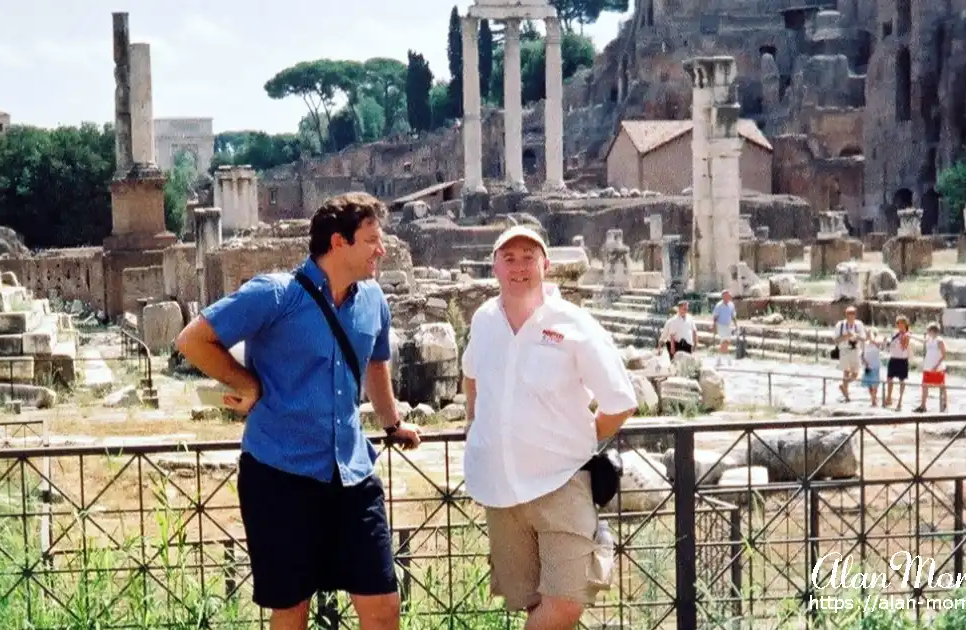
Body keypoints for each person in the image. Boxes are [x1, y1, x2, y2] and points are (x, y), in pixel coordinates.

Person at [174, 192, 422, 630]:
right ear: (338, 242)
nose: (381, 250)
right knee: (291, 610)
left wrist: (392, 422)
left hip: (352, 472)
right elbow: (193, 339)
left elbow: (376, 362)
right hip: (280, 473)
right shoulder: (277, 294)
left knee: (383, 605)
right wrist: (243, 382)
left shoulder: (373, 300)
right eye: (371, 240)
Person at [461, 225, 638, 630]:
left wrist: (584, 440)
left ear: (547, 265)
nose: (519, 267)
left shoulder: (573, 323)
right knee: (532, 602)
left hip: (562, 483)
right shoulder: (484, 319)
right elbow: (471, 373)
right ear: (494, 266)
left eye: (528, 257)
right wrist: (475, 425)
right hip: (501, 488)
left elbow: (620, 400)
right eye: (509, 258)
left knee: (566, 603)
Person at [832, 306, 866, 402]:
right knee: (846, 372)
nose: (851, 316)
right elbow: (836, 339)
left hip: (855, 350)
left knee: (855, 374)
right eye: (849, 314)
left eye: (853, 313)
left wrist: (856, 336)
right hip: (845, 350)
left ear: (855, 315)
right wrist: (846, 336)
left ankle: (843, 385)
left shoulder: (859, 324)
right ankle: (846, 395)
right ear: (846, 315)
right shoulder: (840, 325)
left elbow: (863, 338)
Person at [914, 322, 948, 413]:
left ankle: (944, 404)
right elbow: (922, 341)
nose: (927, 332)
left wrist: (936, 365)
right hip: (928, 367)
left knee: (942, 386)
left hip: (937, 367)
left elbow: (944, 354)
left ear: (932, 331)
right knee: (924, 385)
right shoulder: (929, 339)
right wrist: (911, 336)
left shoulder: (939, 340)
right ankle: (923, 406)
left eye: (928, 330)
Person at [883, 315, 912, 410]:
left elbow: (904, 346)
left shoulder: (907, 335)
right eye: (898, 323)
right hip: (893, 358)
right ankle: (889, 397)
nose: (899, 325)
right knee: (889, 378)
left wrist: (902, 337)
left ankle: (900, 401)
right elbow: (890, 345)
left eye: (901, 323)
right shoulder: (895, 334)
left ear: (905, 324)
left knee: (902, 380)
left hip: (902, 359)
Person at [710, 290, 737, 364]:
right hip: (721, 325)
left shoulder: (731, 304)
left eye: (729, 295)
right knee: (725, 341)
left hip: (728, 325)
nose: (728, 297)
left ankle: (718, 358)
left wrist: (736, 325)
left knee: (726, 342)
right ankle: (729, 359)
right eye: (727, 295)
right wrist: (714, 326)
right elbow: (715, 317)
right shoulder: (719, 305)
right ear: (723, 296)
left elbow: (733, 315)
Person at [860, 329, 882, 406]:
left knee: (875, 384)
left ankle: (874, 400)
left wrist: (871, 338)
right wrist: (864, 362)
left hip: (875, 366)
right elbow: (862, 354)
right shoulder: (864, 343)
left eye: (869, 333)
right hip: (867, 367)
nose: (867, 335)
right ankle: (873, 399)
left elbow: (878, 345)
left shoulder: (877, 342)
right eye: (867, 333)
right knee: (869, 385)